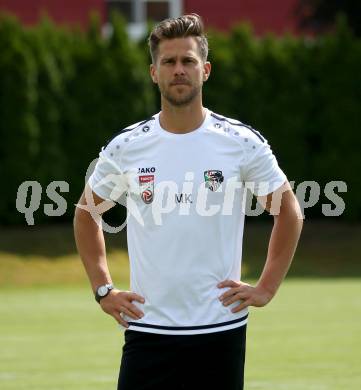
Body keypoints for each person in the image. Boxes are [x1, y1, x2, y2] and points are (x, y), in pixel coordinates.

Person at [73, 13, 303, 390]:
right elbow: (86, 215)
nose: (179, 70)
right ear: (153, 72)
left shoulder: (240, 142)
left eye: (188, 61)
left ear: (205, 70)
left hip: (220, 329)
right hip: (148, 329)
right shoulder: (128, 146)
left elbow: (289, 212)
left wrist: (266, 287)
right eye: (169, 61)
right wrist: (103, 290)